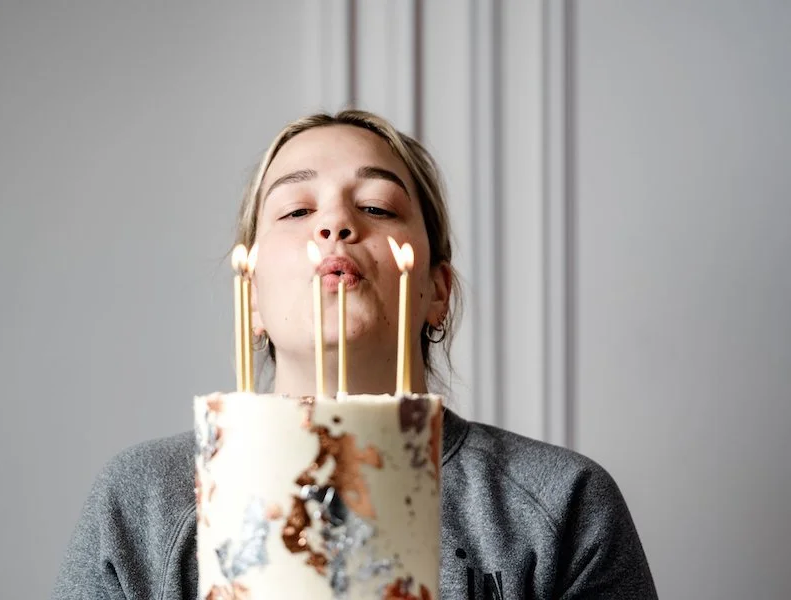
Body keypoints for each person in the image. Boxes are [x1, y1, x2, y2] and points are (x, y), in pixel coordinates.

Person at [52, 110, 658, 599]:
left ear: (436, 291)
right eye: (296, 210)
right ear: (251, 298)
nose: (336, 223)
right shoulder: (141, 503)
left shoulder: (561, 503)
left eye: (375, 207)